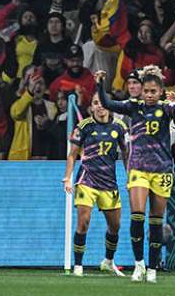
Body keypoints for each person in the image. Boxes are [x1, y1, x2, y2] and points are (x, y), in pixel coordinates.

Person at [95, 65, 175, 283]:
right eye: (145, 91)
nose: (148, 95)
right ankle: (139, 264)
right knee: (137, 216)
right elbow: (110, 104)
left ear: (160, 92)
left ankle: (153, 269)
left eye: (153, 92)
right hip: (138, 168)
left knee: (156, 221)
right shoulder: (134, 106)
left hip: (162, 170)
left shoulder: (167, 109)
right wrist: (100, 85)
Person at [62, 93, 126, 277]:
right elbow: (73, 154)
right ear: (91, 106)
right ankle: (78, 266)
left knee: (115, 227)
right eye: (95, 103)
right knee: (84, 222)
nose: (100, 106)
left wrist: (131, 176)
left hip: (109, 183)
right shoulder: (84, 126)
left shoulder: (120, 127)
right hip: (87, 180)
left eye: (103, 103)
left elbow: (127, 153)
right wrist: (67, 177)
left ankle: (108, 261)